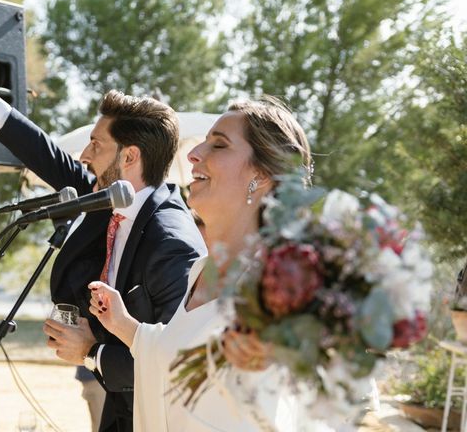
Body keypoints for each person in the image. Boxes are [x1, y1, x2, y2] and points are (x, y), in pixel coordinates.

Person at [0, 46, 206, 432]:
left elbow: (178, 361)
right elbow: (42, 152)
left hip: (156, 416)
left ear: (129, 157)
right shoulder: (108, 195)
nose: (83, 156)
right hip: (120, 407)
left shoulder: (172, 240)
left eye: (96, 144)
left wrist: (91, 352)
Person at [87, 97, 314, 431]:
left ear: (262, 174)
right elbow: (180, 352)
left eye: (219, 145)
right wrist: (128, 328)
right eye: (204, 141)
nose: (193, 153)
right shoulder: (199, 271)